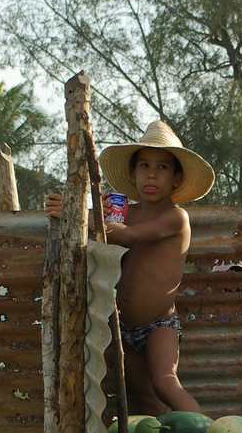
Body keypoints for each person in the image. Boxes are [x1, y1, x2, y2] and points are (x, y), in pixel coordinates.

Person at [45, 121, 215, 416]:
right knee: (144, 397)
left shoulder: (176, 218)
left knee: (164, 383)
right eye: (144, 166)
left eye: (162, 167)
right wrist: (86, 209)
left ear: (176, 179)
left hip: (159, 325)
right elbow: (104, 238)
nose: (151, 173)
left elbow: (131, 236)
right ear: (133, 174)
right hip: (123, 327)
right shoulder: (125, 213)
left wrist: (76, 214)